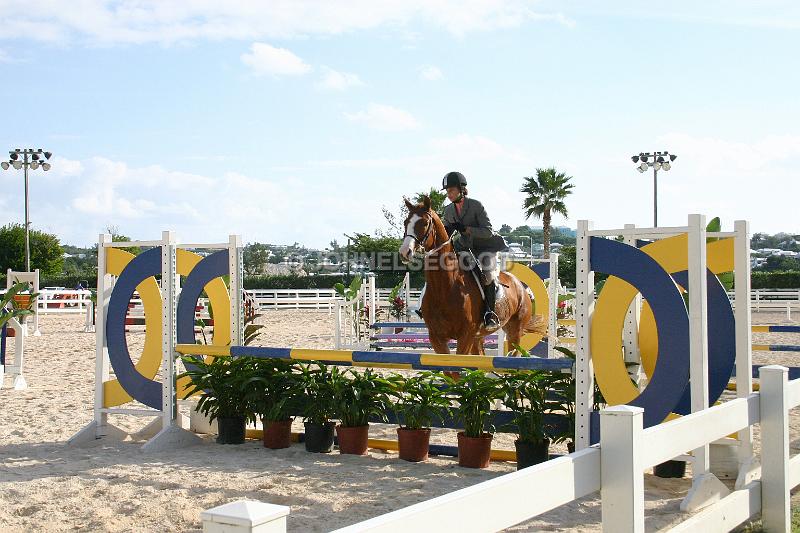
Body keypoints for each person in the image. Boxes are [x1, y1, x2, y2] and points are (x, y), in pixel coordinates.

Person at [440, 171, 507, 328]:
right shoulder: (448, 210)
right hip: (464, 247)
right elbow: (447, 234)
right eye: (447, 191)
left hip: (485, 247)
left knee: (488, 275)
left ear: (461, 189)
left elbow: (488, 231)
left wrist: (467, 229)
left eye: (451, 190)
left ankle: (490, 314)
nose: (448, 194)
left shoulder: (476, 205)